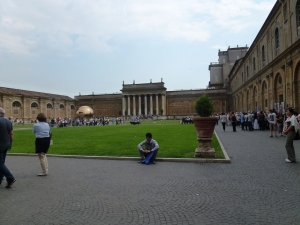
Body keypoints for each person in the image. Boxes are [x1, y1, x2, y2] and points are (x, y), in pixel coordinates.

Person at [0, 107, 16, 188]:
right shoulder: (8, 121)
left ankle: (10, 178)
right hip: (6, 144)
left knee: (0, 163)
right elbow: (11, 134)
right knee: (1, 163)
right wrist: (10, 144)